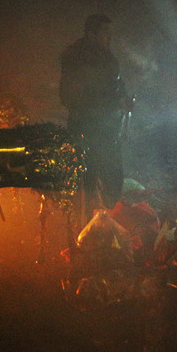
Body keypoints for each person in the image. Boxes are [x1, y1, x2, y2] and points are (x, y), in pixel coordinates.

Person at [60, 14, 132, 211]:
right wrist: (105, 106)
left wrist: (123, 98)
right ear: (91, 34)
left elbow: (115, 83)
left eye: (110, 33)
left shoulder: (105, 55)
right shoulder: (78, 57)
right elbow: (73, 94)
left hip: (106, 126)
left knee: (110, 171)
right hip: (89, 125)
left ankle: (110, 216)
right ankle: (92, 221)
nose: (108, 38)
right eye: (104, 33)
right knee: (89, 173)